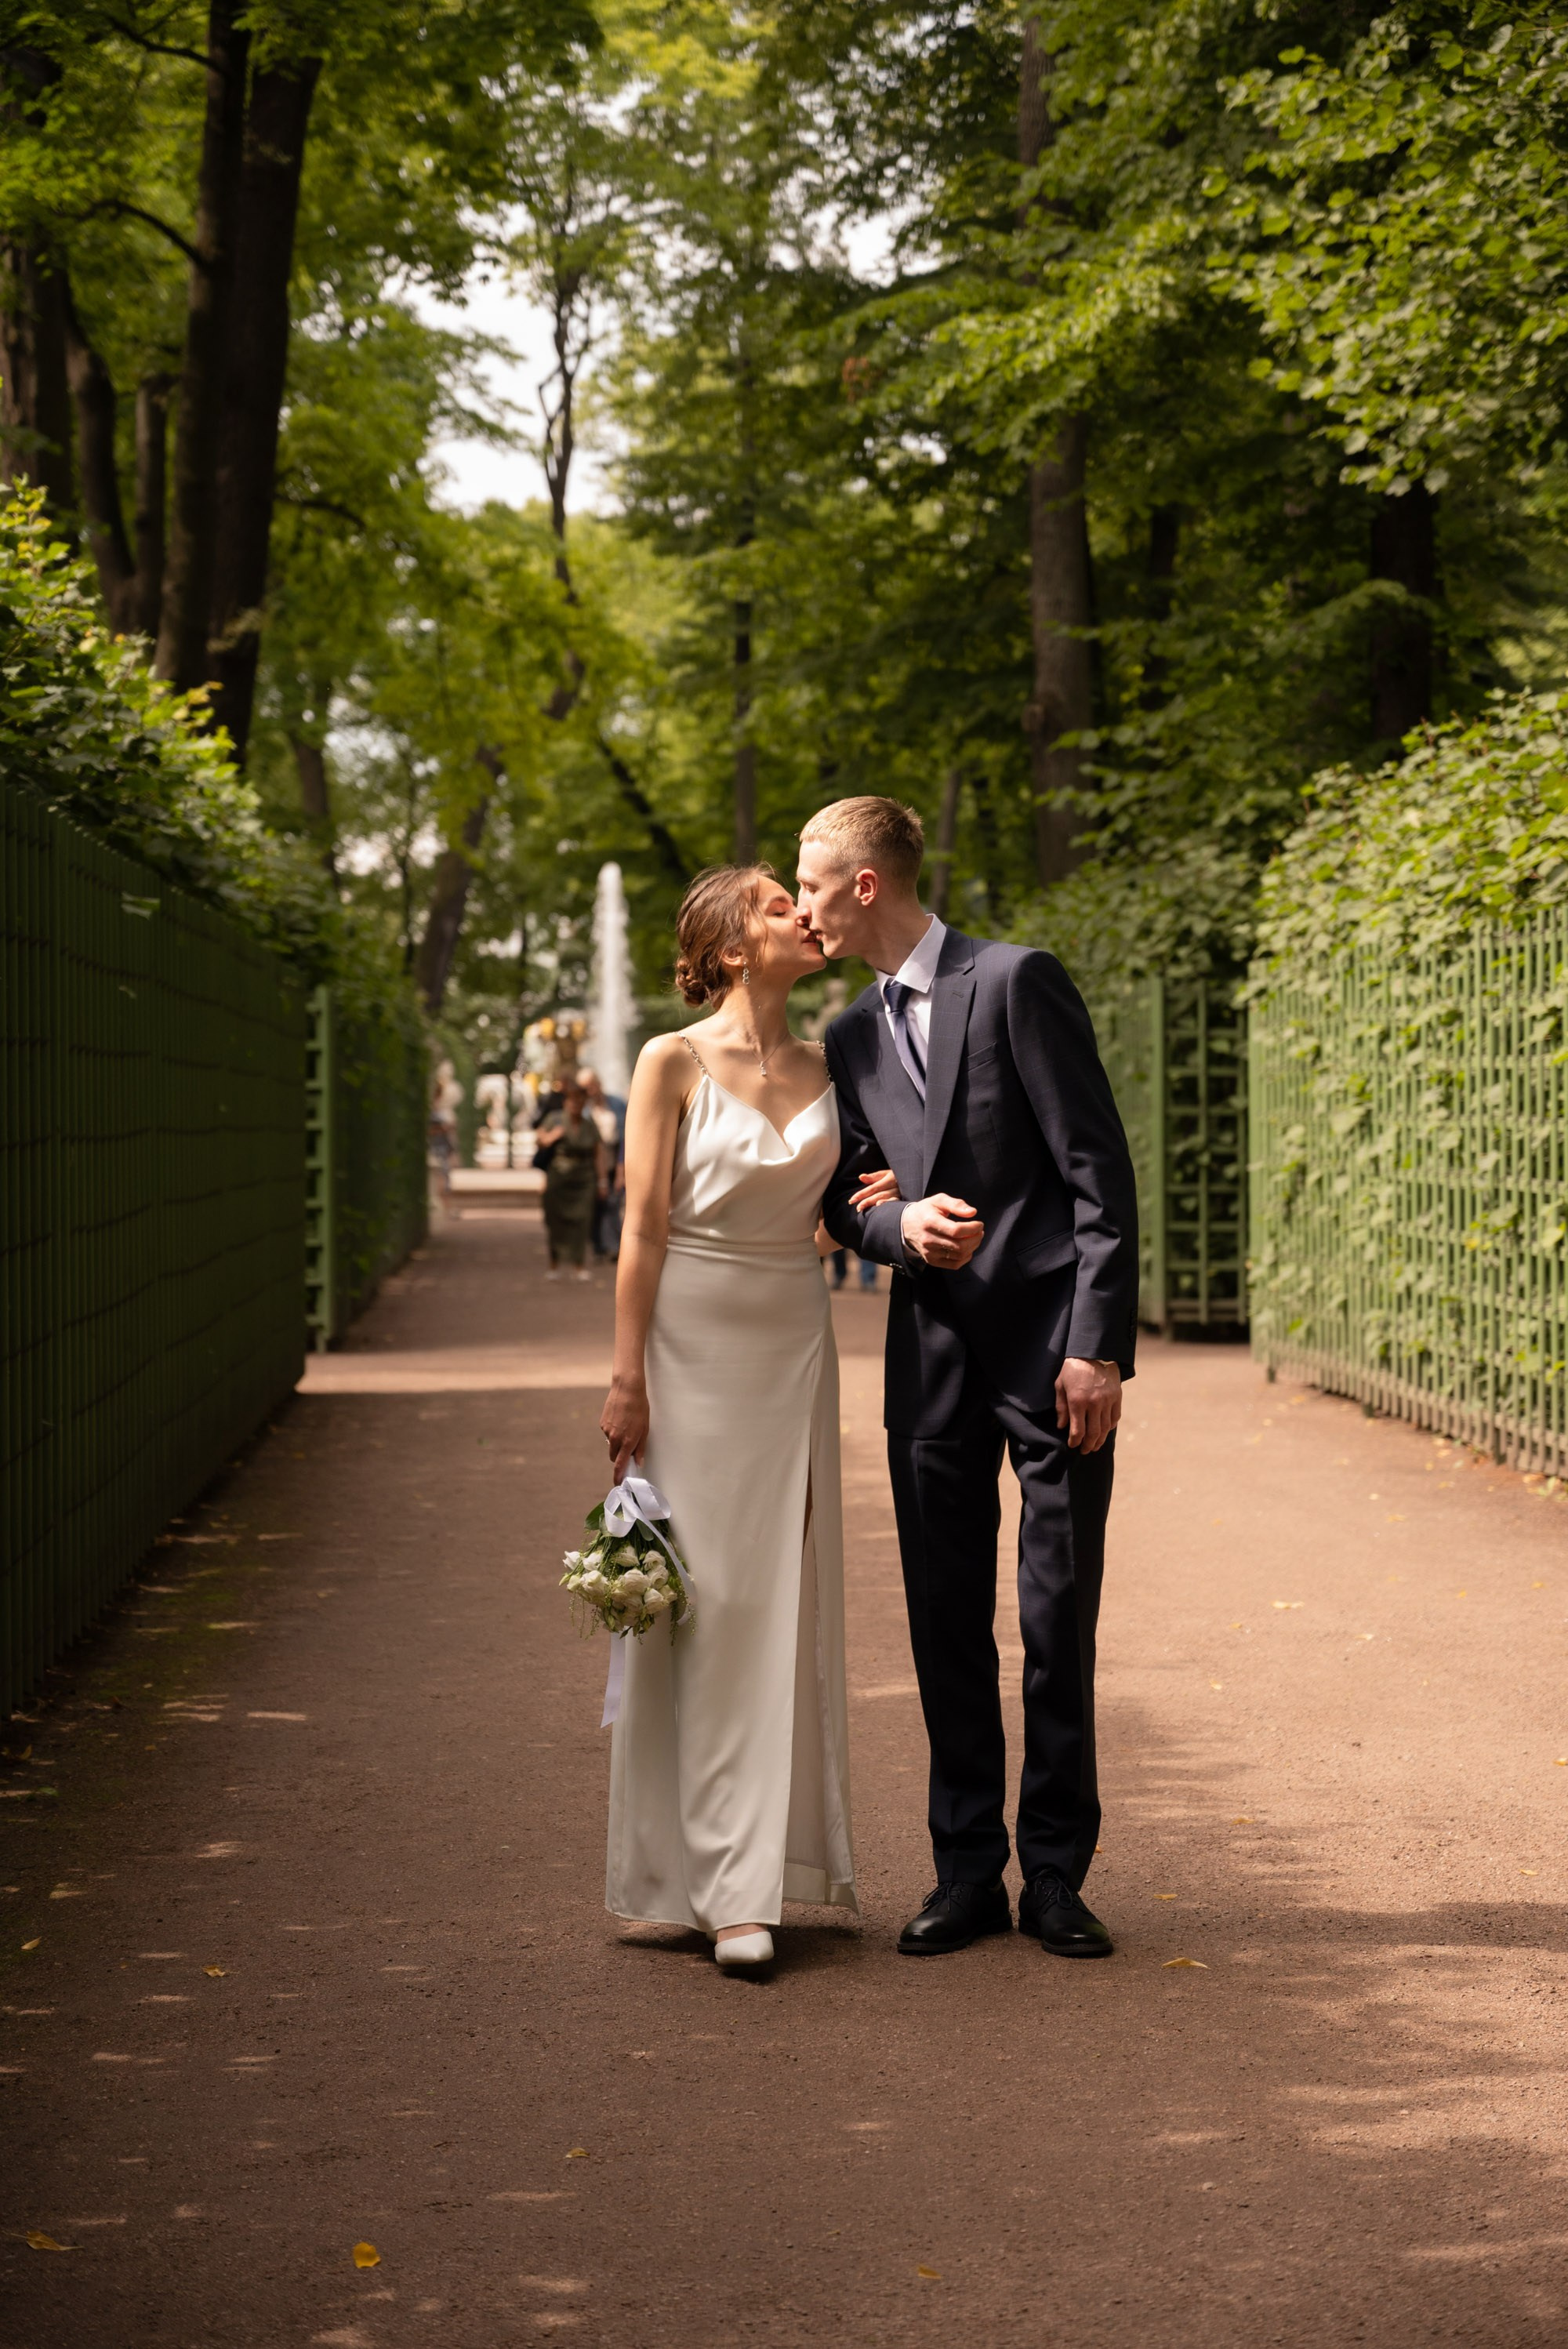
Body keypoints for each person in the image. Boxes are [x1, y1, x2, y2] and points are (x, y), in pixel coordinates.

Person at [797, 796, 1138, 1962]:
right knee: (945, 1622)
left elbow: (1098, 1172)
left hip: (1053, 1359)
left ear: (864, 884)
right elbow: (848, 1198)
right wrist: (899, 1228)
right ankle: (964, 1874)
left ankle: (1055, 1876)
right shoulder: (848, 1034)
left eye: (811, 884)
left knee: (1055, 1621)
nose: (801, 906)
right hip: (931, 1363)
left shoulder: (1014, 980)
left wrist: (1097, 1348)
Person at [597, 865, 898, 1970]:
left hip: (793, 1343)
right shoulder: (669, 1060)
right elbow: (642, 1226)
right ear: (730, 947)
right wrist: (626, 1376)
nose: (803, 913)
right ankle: (699, 1881)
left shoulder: (834, 1064)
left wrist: (876, 1199)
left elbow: (830, 1211)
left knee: (775, 1600)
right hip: (688, 1347)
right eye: (778, 904)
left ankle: (744, 1882)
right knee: (705, 1599)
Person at [535, 1078, 606, 1280]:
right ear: (566, 1102)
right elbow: (539, 1139)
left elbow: (598, 1154)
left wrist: (602, 1182)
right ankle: (554, 1264)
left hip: (584, 1179)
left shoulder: (589, 1124)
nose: (576, 1104)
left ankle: (579, 1265)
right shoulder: (555, 1119)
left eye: (580, 1100)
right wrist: (551, 1137)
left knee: (582, 1221)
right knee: (555, 1221)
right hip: (559, 1177)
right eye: (572, 1100)